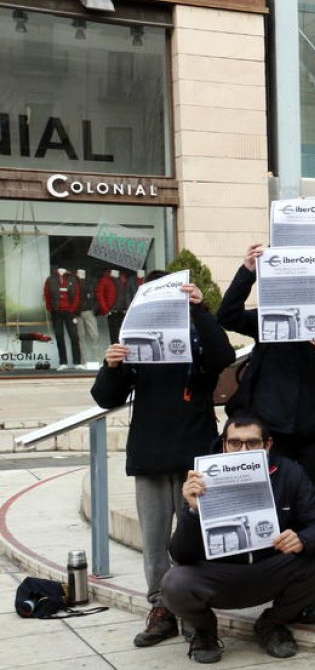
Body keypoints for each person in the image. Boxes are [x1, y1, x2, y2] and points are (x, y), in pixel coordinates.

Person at [90, 272, 235, 649]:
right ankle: (161, 608)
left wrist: (200, 308)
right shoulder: (134, 338)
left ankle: (194, 609)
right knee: (155, 543)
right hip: (150, 455)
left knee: (192, 539)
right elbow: (106, 397)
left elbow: (224, 357)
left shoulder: (197, 333)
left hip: (193, 453)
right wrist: (112, 365)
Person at [218, 243, 315, 624]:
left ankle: (308, 593)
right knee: (266, 510)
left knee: (308, 513)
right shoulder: (268, 318)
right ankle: (268, 584)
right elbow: (227, 314)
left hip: (312, 430)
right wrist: (248, 271)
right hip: (268, 429)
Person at [160, 415, 315, 664]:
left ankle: (273, 623)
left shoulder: (289, 472)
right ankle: (204, 629)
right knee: (174, 582)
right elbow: (180, 554)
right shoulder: (200, 479)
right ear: (224, 445)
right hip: (218, 575)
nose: (243, 450)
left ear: (267, 445)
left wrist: (303, 538)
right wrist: (192, 512)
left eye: (252, 443)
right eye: (234, 443)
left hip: (272, 568)